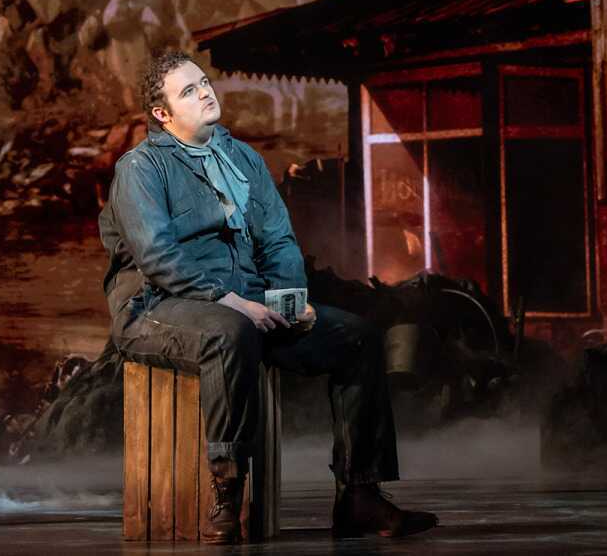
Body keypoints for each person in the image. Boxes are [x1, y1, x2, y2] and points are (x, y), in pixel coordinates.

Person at [99, 50, 438, 544]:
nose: (204, 92)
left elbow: (277, 239)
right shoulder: (141, 168)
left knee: (357, 337)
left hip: (247, 301)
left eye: (203, 82)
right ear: (162, 114)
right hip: (156, 306)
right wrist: (232, 303)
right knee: (230, 332)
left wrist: (287, 301)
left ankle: (360, 495)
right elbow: (159, 258)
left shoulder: (242, 159)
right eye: (188, 91)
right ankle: (227, 491)